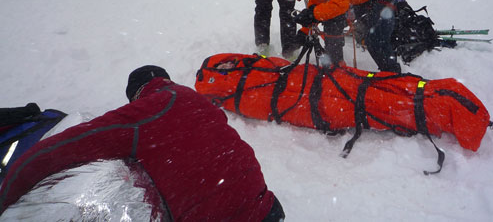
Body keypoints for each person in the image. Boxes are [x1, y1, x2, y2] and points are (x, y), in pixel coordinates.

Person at [0, 66, 285, 221]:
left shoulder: (146, 112)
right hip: (268, 209)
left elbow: (63, 146)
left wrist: (8, 191)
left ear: (137, 94)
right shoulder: (195, 101)